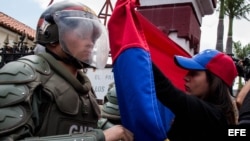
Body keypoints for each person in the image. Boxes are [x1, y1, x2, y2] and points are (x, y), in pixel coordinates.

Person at [0, 1, 133, 141]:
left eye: (94, 37)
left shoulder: (84, 88)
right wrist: (100, 137)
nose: (91, 42)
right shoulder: (22, 74)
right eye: (83, 34)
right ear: (51, 35)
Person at [152, 49, 238, 141]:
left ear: (214, 80)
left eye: (194, 73)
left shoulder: (214, 116)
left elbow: (168, 92)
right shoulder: (196, 113)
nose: (186, 77)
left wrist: (139, 55)